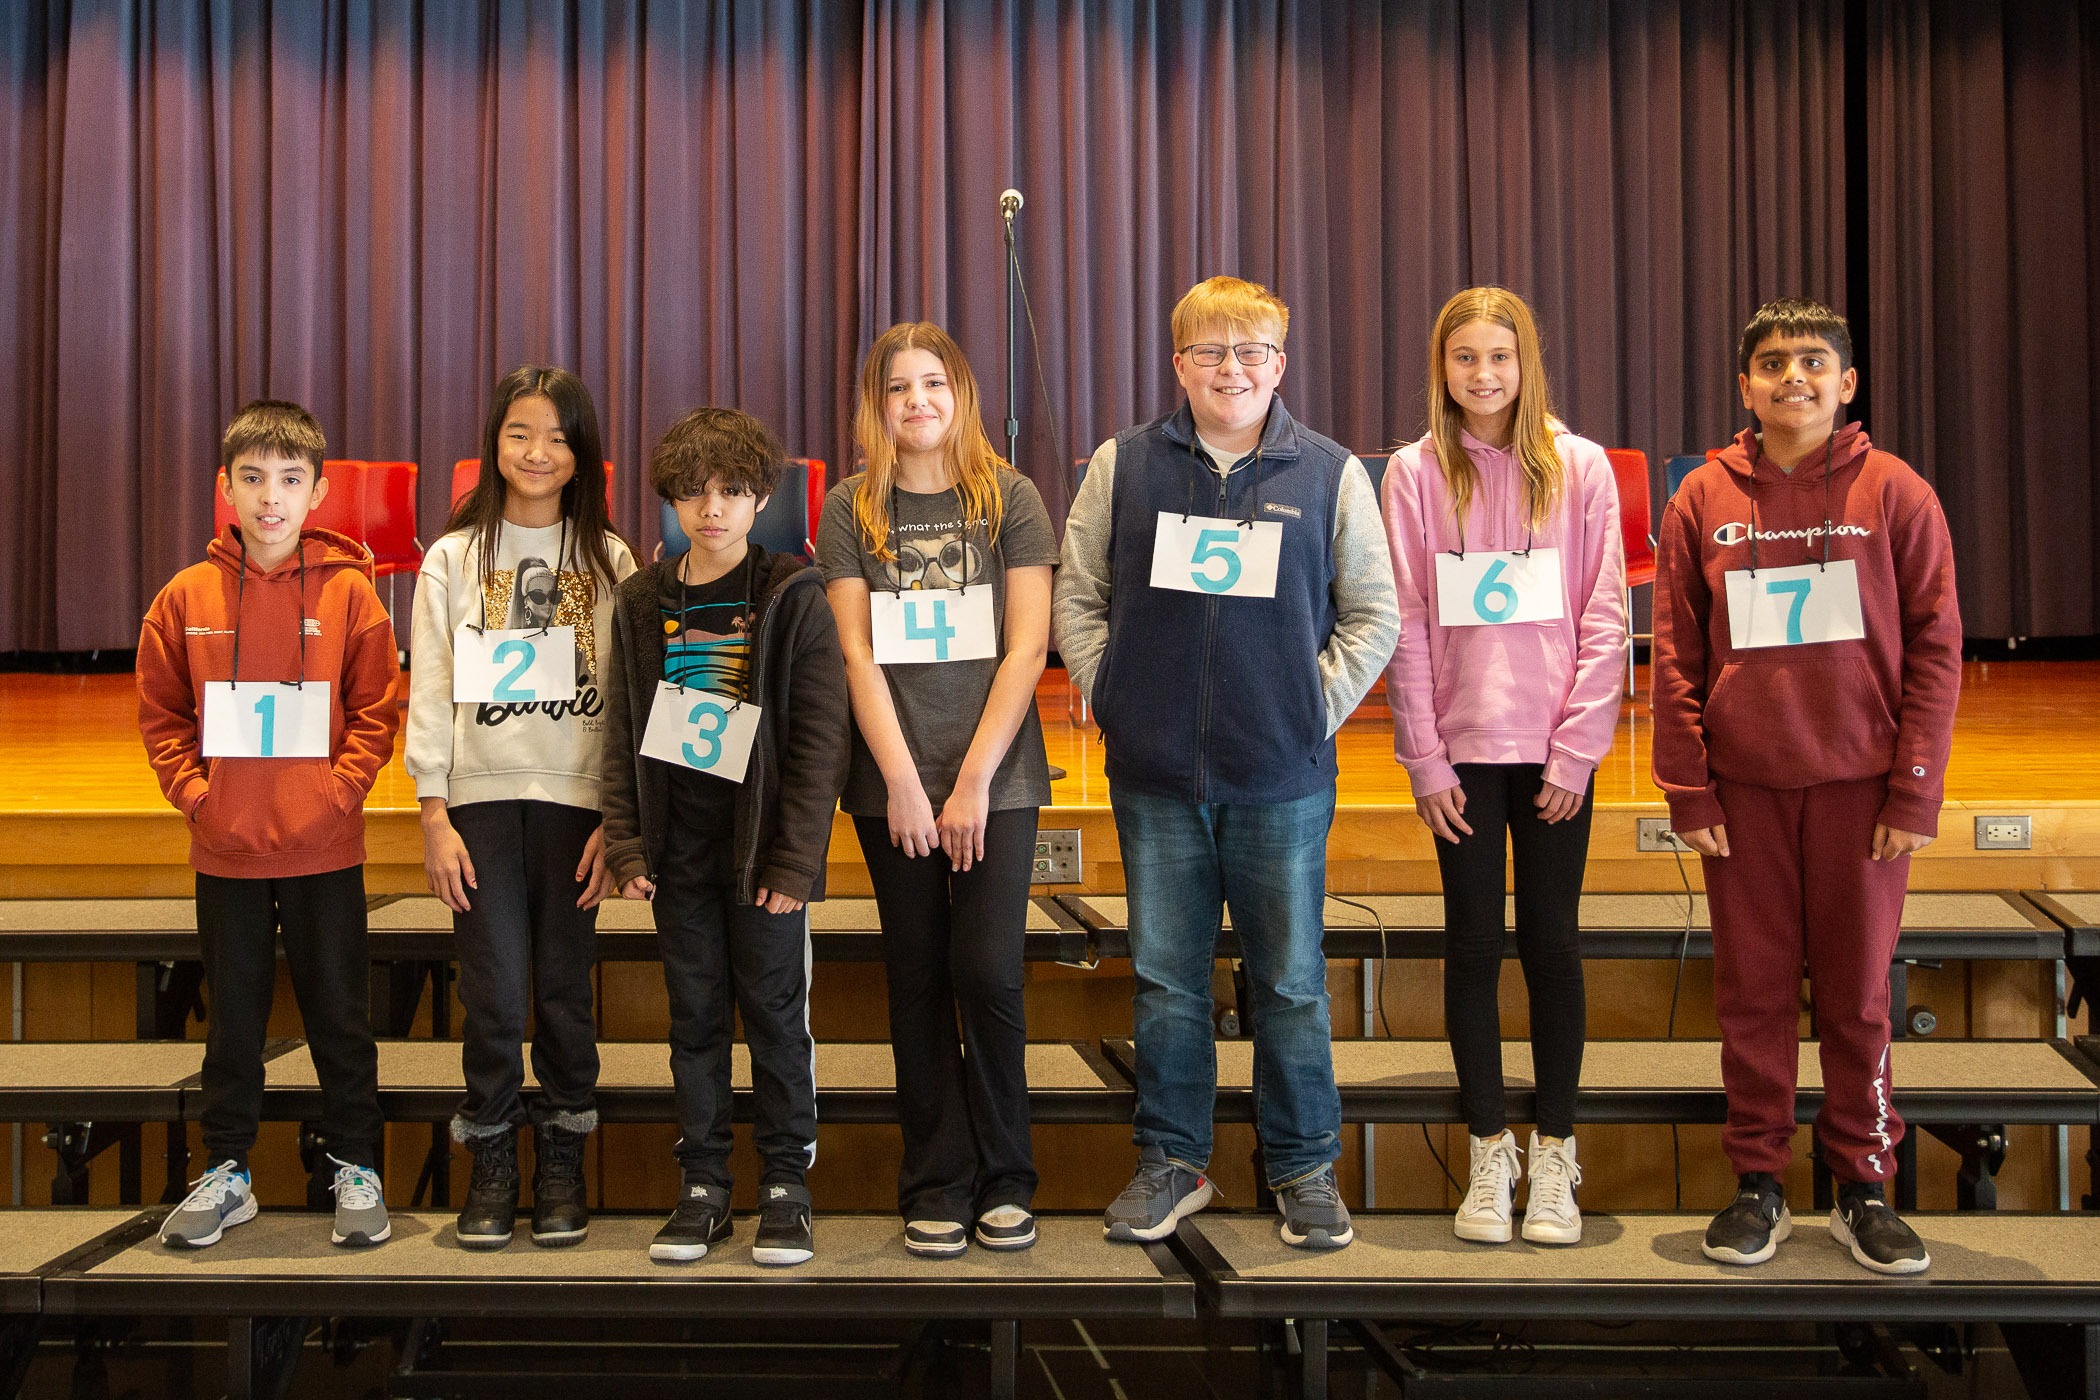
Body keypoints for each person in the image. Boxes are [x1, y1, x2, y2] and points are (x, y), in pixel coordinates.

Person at [1054, 275, 1399, 1250]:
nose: (1232, 369)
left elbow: (1376, 614)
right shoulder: (1123, 468)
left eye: (1252, 353)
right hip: (1156, 776)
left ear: (1280, 366)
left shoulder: (1331, 473)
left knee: (1289, 980)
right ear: (1179, 364)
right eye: (1211, 351)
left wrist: (1307, 708)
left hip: (1283, 778)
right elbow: (1079, 597)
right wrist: (1114, 693)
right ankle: (1173, 1158)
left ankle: (1303, 1167)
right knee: (1166, 979)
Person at [1652, 298, 1960, 1275]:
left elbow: (1939, 652)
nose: (1794, 376)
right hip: (1742, 795)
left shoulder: (1897, 491)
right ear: (1745, 385)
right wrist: (1688, 790)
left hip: (1861, 798)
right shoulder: (1701, 497)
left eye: (1814, 361)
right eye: (1774, 363)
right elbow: (1674, 656)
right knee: (1749, 995)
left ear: (1847, 383)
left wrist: (1914, 791)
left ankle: (1864, 1184)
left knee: (1859, 999)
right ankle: (1759, 1183)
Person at [1381, 287, 1627, 1246]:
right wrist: (1424, 759)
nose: (1482, 376)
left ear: (1528, 363)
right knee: (1474, 948)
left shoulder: (1582, 468)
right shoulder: (1410, 473)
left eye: (1499, 357)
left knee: (1552, 947)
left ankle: (1556, 1152)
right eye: (1463, 358)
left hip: (1556, 753)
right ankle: (1492, 1152)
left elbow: (1605, 616)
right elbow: (1401, 619)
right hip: (1462, 759)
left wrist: (1579, 747)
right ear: (1440, 368)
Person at [818, 323, 1057, 1257]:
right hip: (894, 791)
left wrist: (971, 784)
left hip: (996, 781)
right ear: (875, 408)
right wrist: (905, 785)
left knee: (988, 972)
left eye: (933, 384)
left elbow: (1028, 646)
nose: (917, 402)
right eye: (897, 389)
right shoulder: (851, 506)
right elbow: (853, 652)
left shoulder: (1012, 499)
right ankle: (936, 1180)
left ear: (960, 394)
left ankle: (1008, 1176)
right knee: (914, 977)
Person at [138, 400, 397, 1249]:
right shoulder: (185, 596)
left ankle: (357, 1164)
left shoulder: (352, 593)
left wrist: (337, 794)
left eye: (289, 480)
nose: (270, 498)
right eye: (252, 479)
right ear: (225, 488)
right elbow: (162, 715)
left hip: (325, 850)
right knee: (234, 1021)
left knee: (339, 1015)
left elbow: (375, 711)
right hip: (228, 851)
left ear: (319, 492)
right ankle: (227, 1170)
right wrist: (200, 797)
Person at [601, 406, 850, 1267]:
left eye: (732, 491)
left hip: (762, 862)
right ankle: (703, 1184)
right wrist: (628, 846)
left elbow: (820, 745)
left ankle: (787, 1185)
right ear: (672, 499)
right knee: (694, 1022)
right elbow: (620, 732)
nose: (712, 508)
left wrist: (794, 861)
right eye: (695, 492)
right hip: (679, 858)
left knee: (778, 1019)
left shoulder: (790, 595)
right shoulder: (640, 600)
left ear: (760, 500)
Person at [406, 366, 636, 1249]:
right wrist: (433, 813)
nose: (538, 452)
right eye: (519, 433)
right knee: (497, 993)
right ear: (493, 443)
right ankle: (494, 1158)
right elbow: (428, 689)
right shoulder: (452, 560)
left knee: (566, 994)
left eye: (557, 436)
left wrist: (619, 824)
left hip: (577, 812)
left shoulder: (610, 562)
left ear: (583, 454)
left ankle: (564, 1158)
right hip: (481, 810)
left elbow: (626, 700)